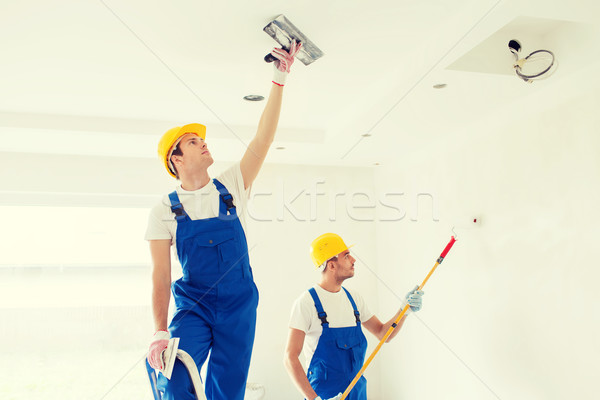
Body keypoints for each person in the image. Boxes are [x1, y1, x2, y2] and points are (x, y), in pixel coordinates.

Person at [145, 41, 302, 400]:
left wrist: (279, 78)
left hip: (239, 306)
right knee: (173, 377)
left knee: (228, 392)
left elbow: (264, 137)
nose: (203, 144)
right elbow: (161, 275)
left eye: (201, 139)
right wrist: (158, 331)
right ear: (176, 160)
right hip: (193, 307)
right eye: (192, 141)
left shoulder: (230, 186)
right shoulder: (163, 212)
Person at [284, 233, 424, 400]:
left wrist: (403, 311)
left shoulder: (354, 300)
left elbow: (382, 333)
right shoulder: (306, 303)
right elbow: (290, 357)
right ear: (331, 265)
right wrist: (314, 399)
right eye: (346, 256)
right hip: (324, 395)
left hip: (358, 393)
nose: (353, 260)